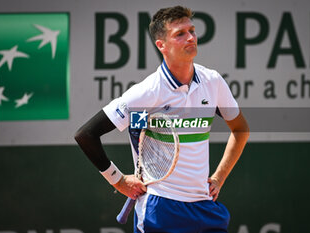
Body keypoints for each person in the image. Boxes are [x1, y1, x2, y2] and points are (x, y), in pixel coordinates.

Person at [75, 5, 249, 233]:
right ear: (161, 46)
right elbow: (86, 135)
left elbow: (240, 130)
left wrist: (219, 177)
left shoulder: (213, 82)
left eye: (192, 31)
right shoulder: (147, 92)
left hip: (205, 207)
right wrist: (118, 180)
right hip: (161, 208)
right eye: (180, 34)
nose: (190, 38)